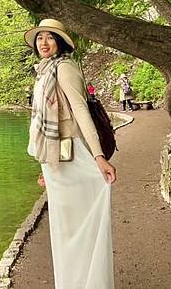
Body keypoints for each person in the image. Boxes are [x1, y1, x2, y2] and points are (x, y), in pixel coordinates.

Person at [24, 18, 116, 289]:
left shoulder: (64, 68)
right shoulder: (43, 71)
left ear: (60, 42)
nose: (43, 43)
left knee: (77, 223)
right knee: (64, 227)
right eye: (40, 38)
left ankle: (90, 282)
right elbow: (40, 126)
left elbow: (81, 112)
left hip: (72, 154)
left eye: (50, 37)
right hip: (55, 159)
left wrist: (99, 157)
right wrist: (44, 166)